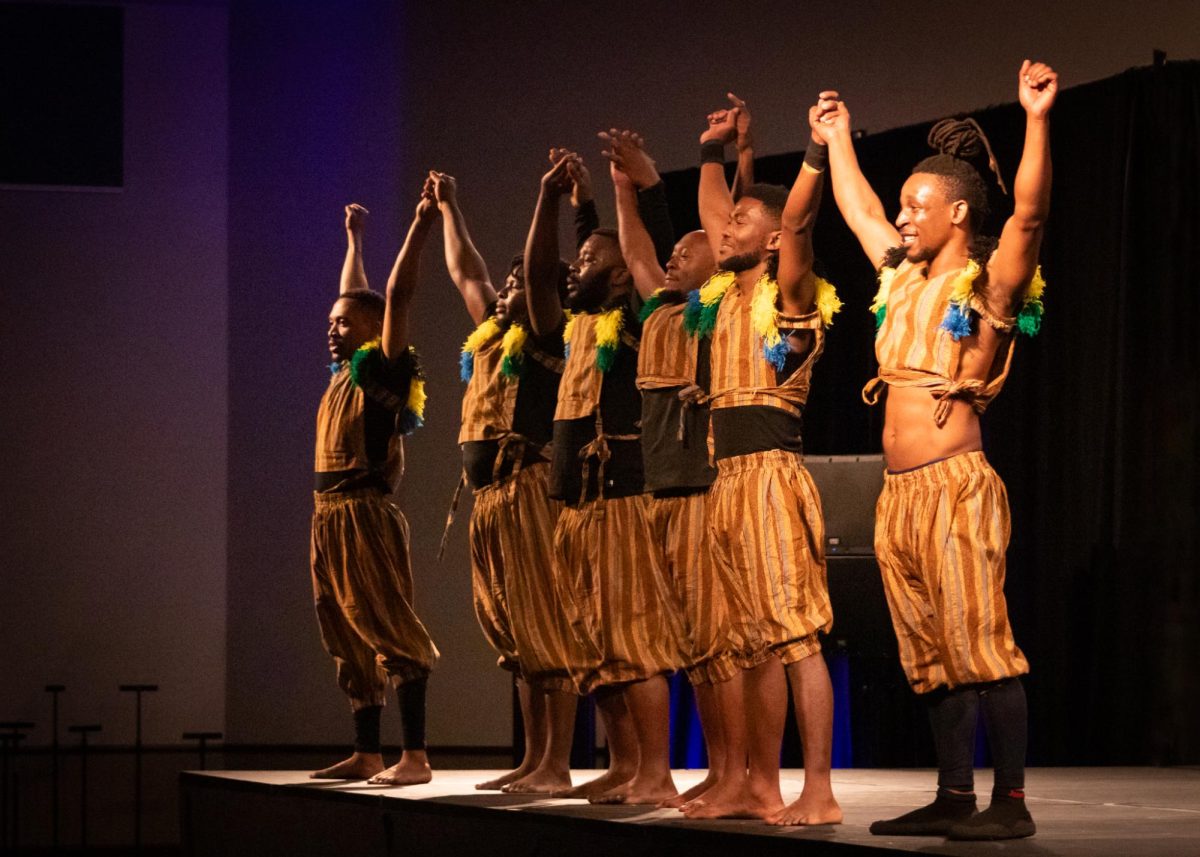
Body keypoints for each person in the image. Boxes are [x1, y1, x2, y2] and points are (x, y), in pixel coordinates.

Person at [811, 59, 1057, 840]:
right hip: (900, 495)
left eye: (918, 205)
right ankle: (954, 793)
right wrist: (838, 139)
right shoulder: (898, 277)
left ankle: (1009, 805)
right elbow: (854, 210)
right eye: (903, 204)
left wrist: (1037, 120)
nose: (904, 215)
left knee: (980, 641)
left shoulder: (984, 288)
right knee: (931, 648)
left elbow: (1027, 216)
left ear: (956, 212)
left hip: (954, 484)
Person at [680, 95, 842, 826]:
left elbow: (800, 219)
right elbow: (718, 208)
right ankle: (755, 783)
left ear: (775, 240)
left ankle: (819, 789)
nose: (724, 228)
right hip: (727, 481)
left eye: (744, 223)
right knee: (745, 643)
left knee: (795, 636)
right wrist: (713, 149)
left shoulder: (788, 292)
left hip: (772, 477)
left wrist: (813, 152)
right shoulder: (724, 294)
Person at [524, 148, 688, 805]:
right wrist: (571, 203)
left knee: (635, 637)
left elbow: (646, 253)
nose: (577, 268)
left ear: (621, 277)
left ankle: (656, 770)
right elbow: (557, 268)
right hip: (579, 502)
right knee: (599, 644)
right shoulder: (581, 326)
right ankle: (624, 763)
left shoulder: (639, 321)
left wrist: (631, 194)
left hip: (622, 493)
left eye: (591, 261)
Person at [600, 127, 758, 809]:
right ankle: (718, 768)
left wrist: (664, 175)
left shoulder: (716, 308)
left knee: (717, 644)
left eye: (687, 249)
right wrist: (620, 191)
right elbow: (638, 250)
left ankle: (734, 772)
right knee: (692, 644)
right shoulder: (664, 311)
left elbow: (719, 232)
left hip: (701, 488)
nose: (675, 255)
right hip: (657, 491)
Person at [431, 170, 584, 794]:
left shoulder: (551, 334)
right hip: (492, 501)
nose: (504, 291)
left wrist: (545, 197)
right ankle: (531, 757)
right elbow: (467, 273)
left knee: (548, 626)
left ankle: (557, 762)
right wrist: (448, 207)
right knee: (517, 636)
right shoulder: (494, 335)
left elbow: (542, 268)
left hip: (531, 490)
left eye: (519, 283)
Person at [309, 192, 440, 785]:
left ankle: (414, 757)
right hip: (327, 516)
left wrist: (416, 223)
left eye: (343, 322)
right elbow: (358, 293)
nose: (332, 329)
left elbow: (396, 296)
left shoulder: (381, 367)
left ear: (371, 327)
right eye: (329, 321)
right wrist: (354, 241)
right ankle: (367, 751)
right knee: (342, 627)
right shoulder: (343, 373)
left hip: (364, 513)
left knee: (388, 624)